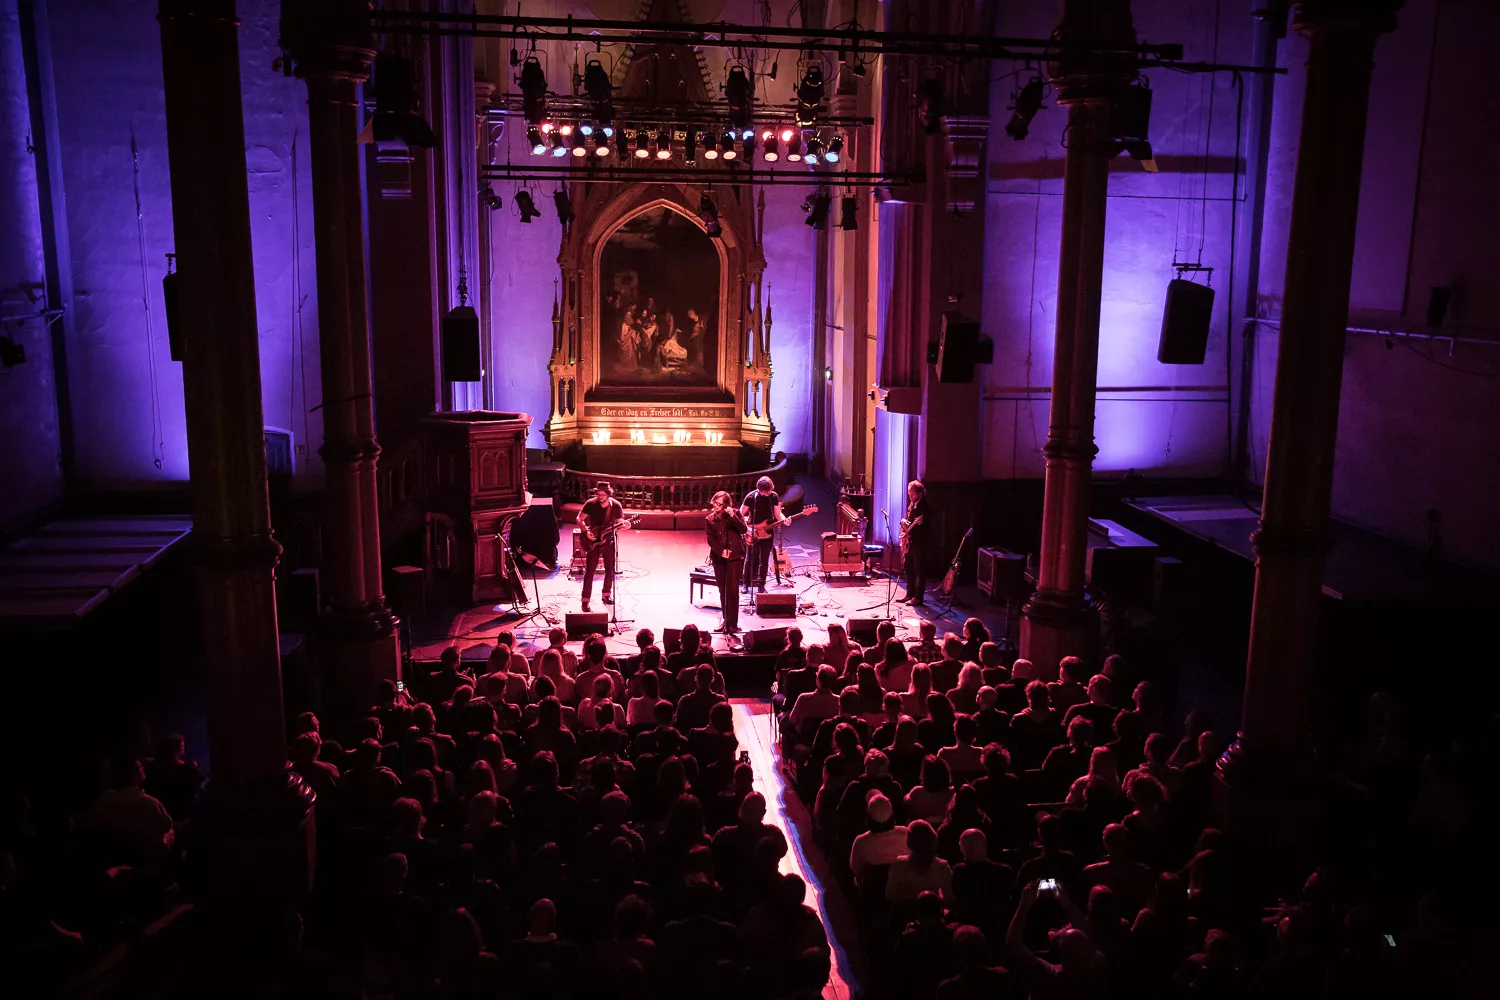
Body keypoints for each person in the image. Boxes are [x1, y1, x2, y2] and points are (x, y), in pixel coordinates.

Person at [579, 482, 627, 611]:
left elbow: (620, 522)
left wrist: (625, 525)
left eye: (603, 494)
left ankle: (606, 595)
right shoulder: (590, 503)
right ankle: (585, 600)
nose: (600, 496)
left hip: (609, 541)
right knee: (589, 571)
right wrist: (585, 531)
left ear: (608, 494)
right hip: (593, 540)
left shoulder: (615, 505)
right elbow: (579, 518)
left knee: (610, 570)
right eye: (598, 494)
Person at [705, 490, 748, 633]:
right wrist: (721, 551)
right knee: (722, 590)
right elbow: (710, 540)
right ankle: (725, 622)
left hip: (735, 557)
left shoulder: (735, 514)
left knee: (732, 591)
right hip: (719, 559)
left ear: (726, 505)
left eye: (718, 504)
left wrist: (733, 516)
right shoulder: (710, 519)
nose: (715, 506)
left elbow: (743, 529)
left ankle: (733, 624)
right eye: (714, 503)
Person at [739, 476, 787, 591]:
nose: (767, 493)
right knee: (749, 558)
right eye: (764, 491)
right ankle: (745, 583)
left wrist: (785, 519)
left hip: (768, 533)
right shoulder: (751, 497)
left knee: (764, 560)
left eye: (769, 490)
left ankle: (761, 585)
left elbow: (777, 514)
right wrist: (747, 529)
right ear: (758, 489)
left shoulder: (774, 496)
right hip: (752, 532)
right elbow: (740, 515)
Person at [898, 480, 930, 607]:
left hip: (919, 544)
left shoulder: (925, 508)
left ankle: (918, 597)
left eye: (912, 494)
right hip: (909, 543)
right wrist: (903, 521)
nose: (910, 496)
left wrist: (910, 533)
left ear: (919, 493)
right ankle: (909, 593)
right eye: (909, 494)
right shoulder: (912, 505)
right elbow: (908, 520)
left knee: (919, 570)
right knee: (908, 568)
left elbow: (924, 529)